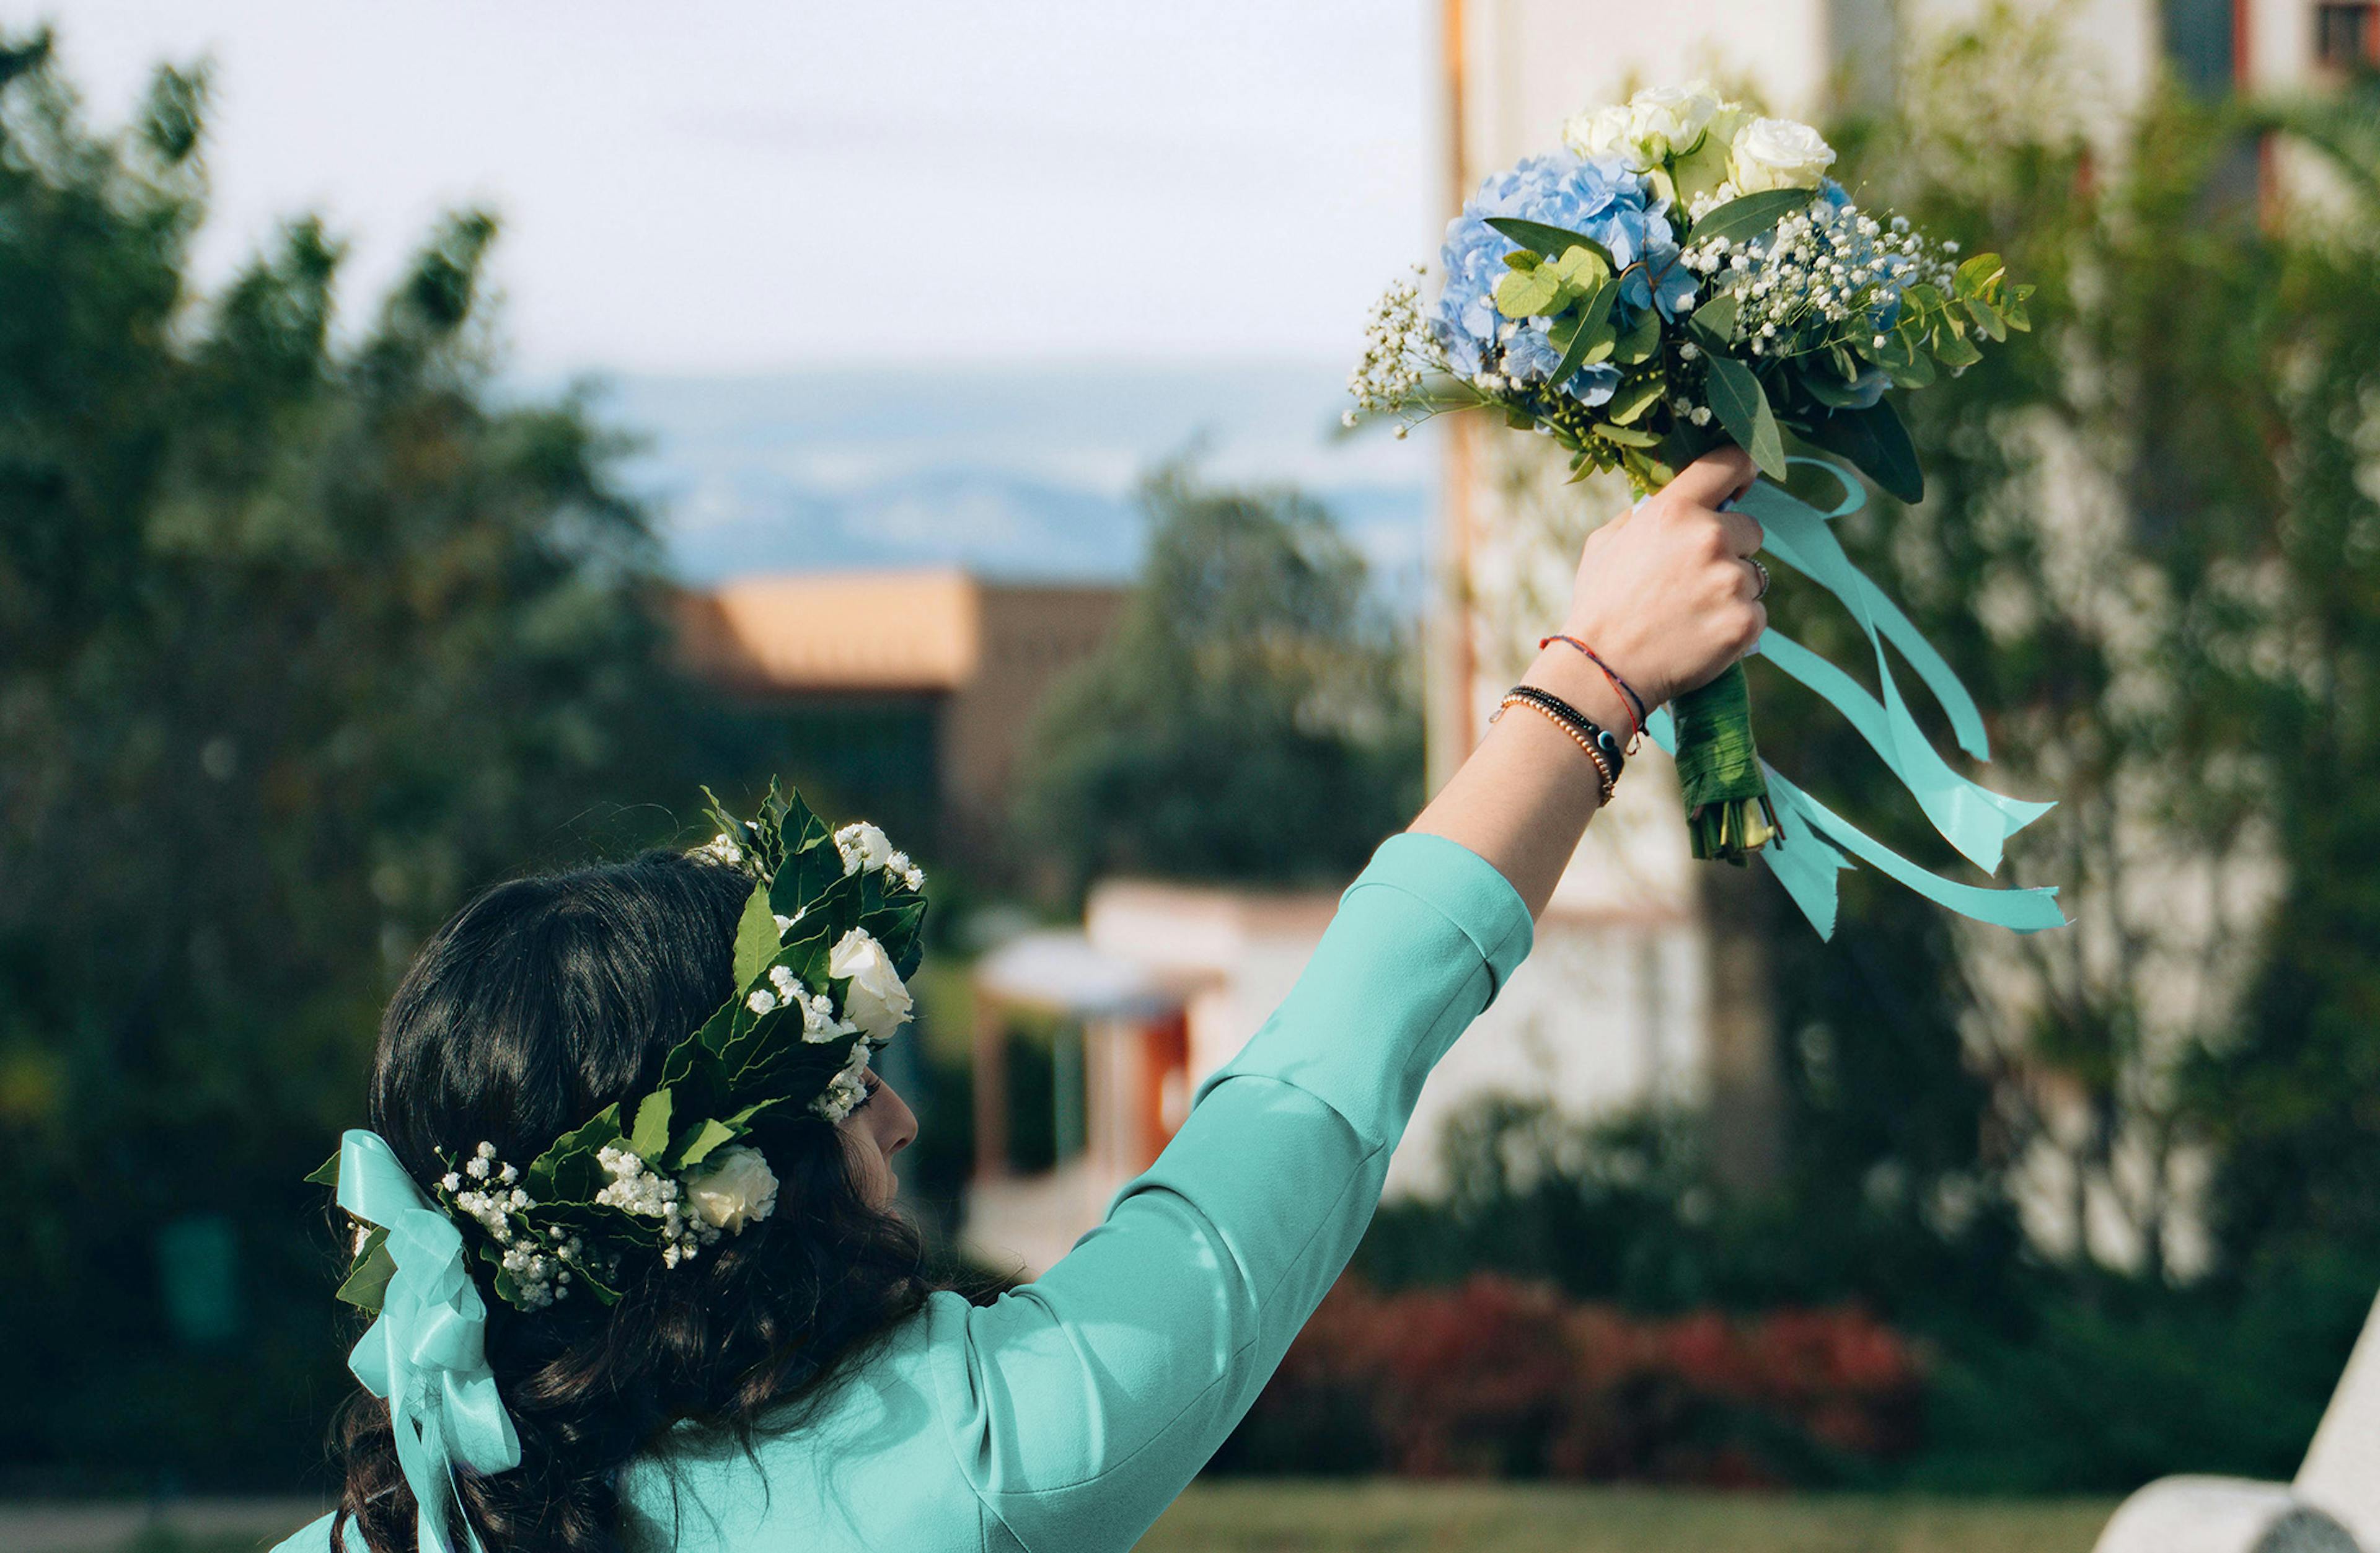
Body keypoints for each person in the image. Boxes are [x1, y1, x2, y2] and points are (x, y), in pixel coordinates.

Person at [270, 447, 1765, 1553]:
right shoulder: (987, 1461)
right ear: (725, 1187)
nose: (904, 1116)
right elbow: (1313, 1086)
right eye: (849, 1086)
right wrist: (1597, 675)